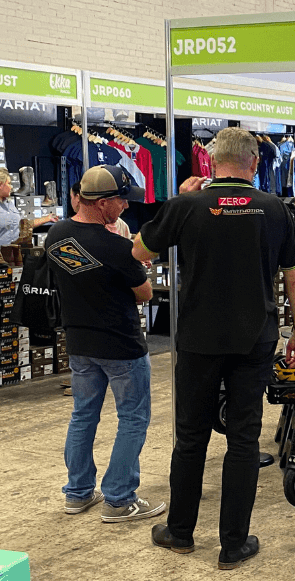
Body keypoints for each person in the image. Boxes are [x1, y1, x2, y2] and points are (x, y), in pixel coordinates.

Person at [131, 127, 295, 570]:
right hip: (254, 337)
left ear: (210, 163)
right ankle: (233, 544)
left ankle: (180, 532)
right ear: (253, 163)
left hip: (197, 339)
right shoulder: (274, 209)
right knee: (244, 440)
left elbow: (138, 250)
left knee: (190, 436)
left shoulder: (186, 204)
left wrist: (177, 199)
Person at [46, 165, 160, 522]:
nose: (125, 206)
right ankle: (119, 499)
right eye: (122, 200)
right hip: (121, 344)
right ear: (104, 203)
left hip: (79, 341)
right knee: (133, 418)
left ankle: (78, 493)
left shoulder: (56, 234)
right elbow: (144, 294)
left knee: (83, 415)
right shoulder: (116, 246)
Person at [0, 167, 59, 244]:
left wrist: (47, 218)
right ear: (1, 185)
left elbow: (24, 225)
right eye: (9, 183)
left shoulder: (9, 204)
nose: (11, 187)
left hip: (15, 252)